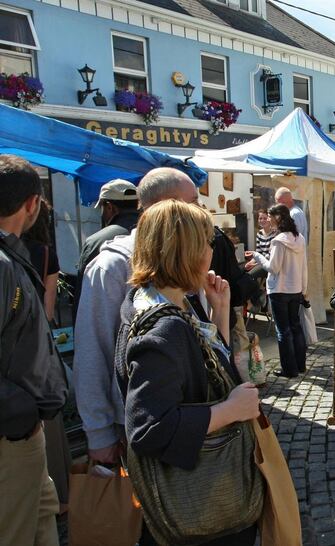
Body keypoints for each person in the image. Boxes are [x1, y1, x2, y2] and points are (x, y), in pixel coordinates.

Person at [115, 199, 261, 545]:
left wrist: (219, 312)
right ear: (187, 251)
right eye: (206, 243)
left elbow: (206, 369)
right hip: (199, 505)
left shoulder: (159, 300)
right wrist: (229, 411)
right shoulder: (163, 325)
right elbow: (149, 429)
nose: (211, 251)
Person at [73, 167, 200, 464]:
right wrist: (99, 433)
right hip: (137, 427)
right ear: (166, 205)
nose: (200, 211)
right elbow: (93, 350)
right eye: (193, 203)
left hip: (185, 416)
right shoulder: (112, 266)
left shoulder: (186, 258)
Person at [0, 154, 67, 546]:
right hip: (11, 434)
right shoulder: (3, 264)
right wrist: (17, 412)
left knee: (43, 520)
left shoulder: (12, 254)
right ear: (31, 204)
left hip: (24, 430)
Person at [21, 198, 72, 514]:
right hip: (38, 353)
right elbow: (48, 312)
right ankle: (59, 498)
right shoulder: (44, 255)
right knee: (48, 430)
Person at [246, 204, 308, 378]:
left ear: (278, 218)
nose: (269, 220)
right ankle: (300, 365)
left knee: (284, 331)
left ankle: (289, 369)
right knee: (295, 327)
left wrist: (257, 256)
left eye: (271, 217)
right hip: (295, 289)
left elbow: (273, 268)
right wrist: (304, 288)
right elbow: (304, 266)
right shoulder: (299, 238)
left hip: (279, 290)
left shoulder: (278, 240)